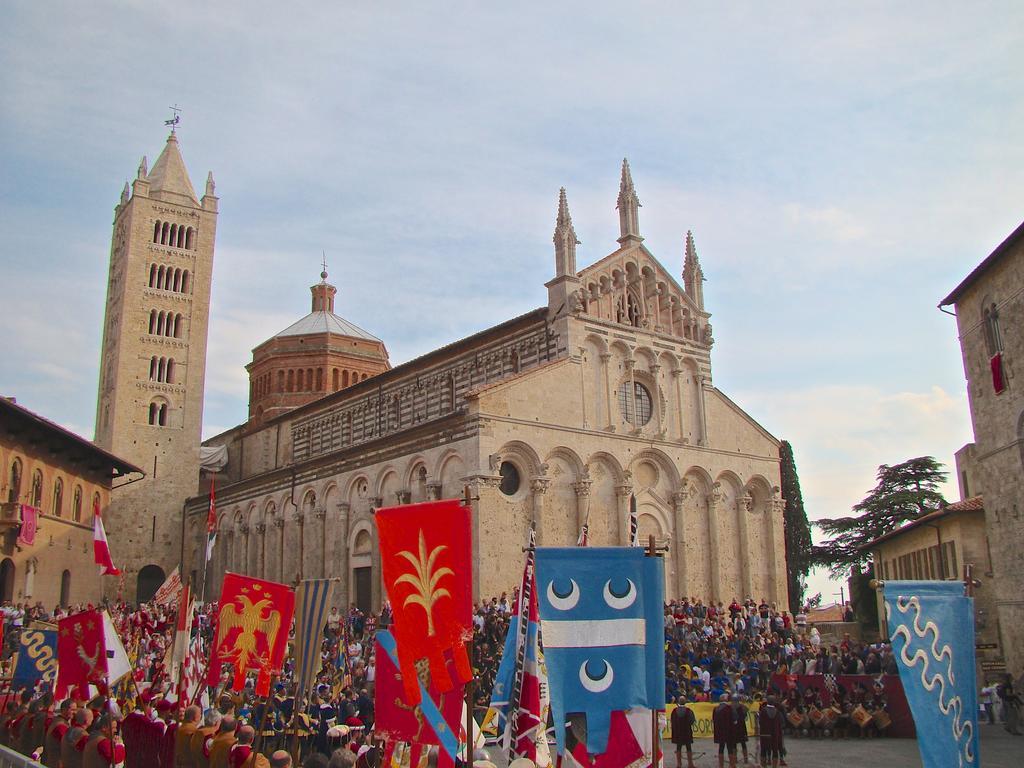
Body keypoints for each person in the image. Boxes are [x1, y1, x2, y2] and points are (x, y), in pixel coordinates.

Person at [758, 696, 784, 768]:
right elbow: (780, 723)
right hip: (775, 734)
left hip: (765, 734)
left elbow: (760, 722)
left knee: (763, 751)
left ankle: (764, 766)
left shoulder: (763, 711)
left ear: (767, 701)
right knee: (775, 751)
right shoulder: (777, 711)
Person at [670, 696, 696, 768]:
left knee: (678, 747)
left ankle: (679, 764)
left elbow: (672, 721)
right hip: (686, 731)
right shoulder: (689, 711)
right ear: (685, 702)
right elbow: (692, 721)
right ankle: (690, 764)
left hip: (677, 732)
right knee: (688, 747)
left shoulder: (674, 711)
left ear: (678, 701)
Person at [713, 693, 736, 768]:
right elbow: (735, 720)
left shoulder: (715, 709)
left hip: (719, 730)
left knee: (721, 747)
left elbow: (713, 720)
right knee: (730, 748)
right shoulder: (730, 708)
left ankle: (721, 765)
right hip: (729, 730)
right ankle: (732, 765)